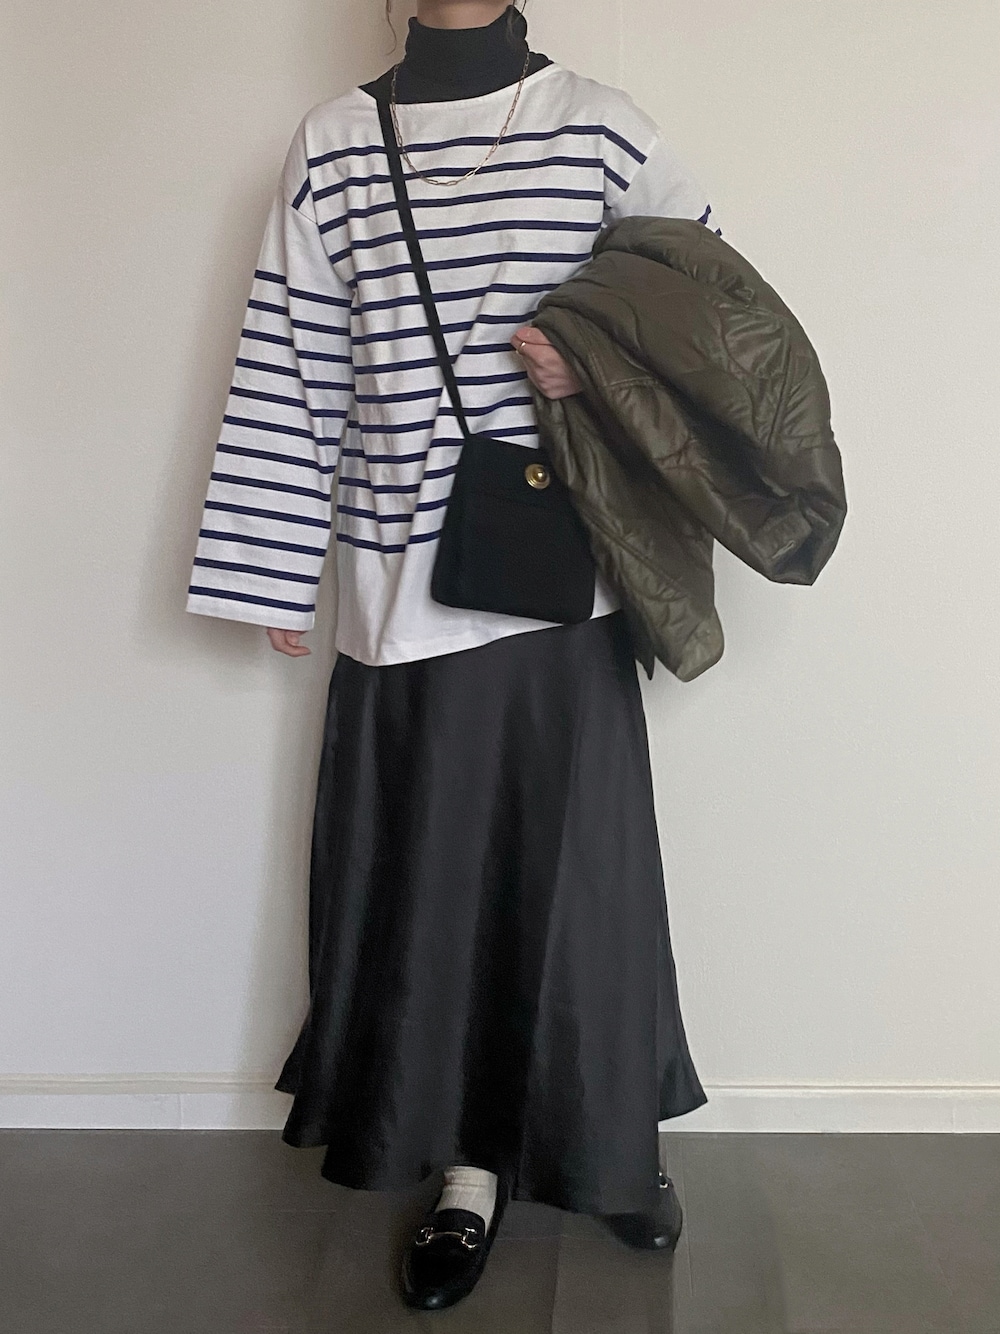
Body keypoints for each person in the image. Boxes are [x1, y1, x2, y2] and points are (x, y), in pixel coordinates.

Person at [185, 0, 722, 1311]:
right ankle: (469, 1173)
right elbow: (295, 359)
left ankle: (609, 1141)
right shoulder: (332, 143)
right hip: (397, 580)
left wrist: (588, 363)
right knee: (435, 893)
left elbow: (709, 315)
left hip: (564, 581)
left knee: (583, 884)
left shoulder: (599, 128)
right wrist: (272, 561)